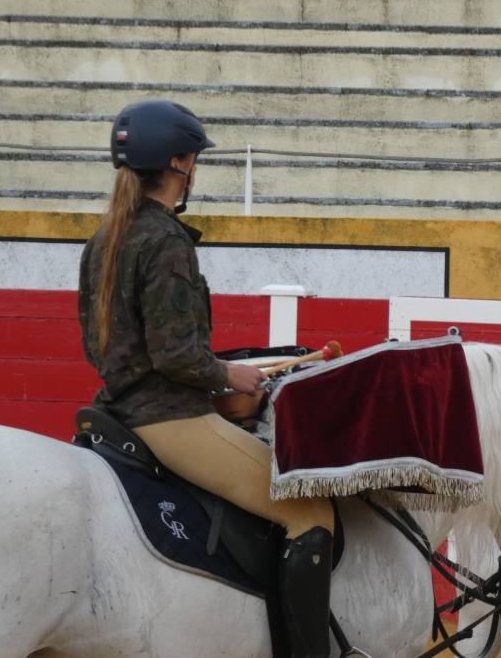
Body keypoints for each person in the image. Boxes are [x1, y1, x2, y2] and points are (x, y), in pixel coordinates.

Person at [77, 99, 334, 658]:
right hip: (168, 420)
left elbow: (101, 346)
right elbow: (175, 356)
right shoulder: (165, 242)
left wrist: (208, 379)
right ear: (179, 164)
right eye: (193, 160)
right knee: (310, 511)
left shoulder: (105, 238)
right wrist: (227, 374)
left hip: (117, 410)